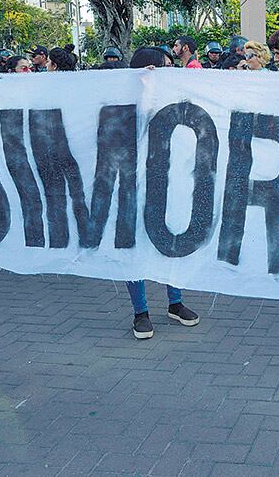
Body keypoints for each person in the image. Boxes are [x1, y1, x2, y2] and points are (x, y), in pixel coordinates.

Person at [120, 47, 200, 338]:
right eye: (164, 67)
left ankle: (175, 303)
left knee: (173, 242)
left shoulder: (174, 97)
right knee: (135, 248)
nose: (171, 71)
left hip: (168, 184)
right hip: (133, 186)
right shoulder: (125, 102)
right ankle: (140, 312)